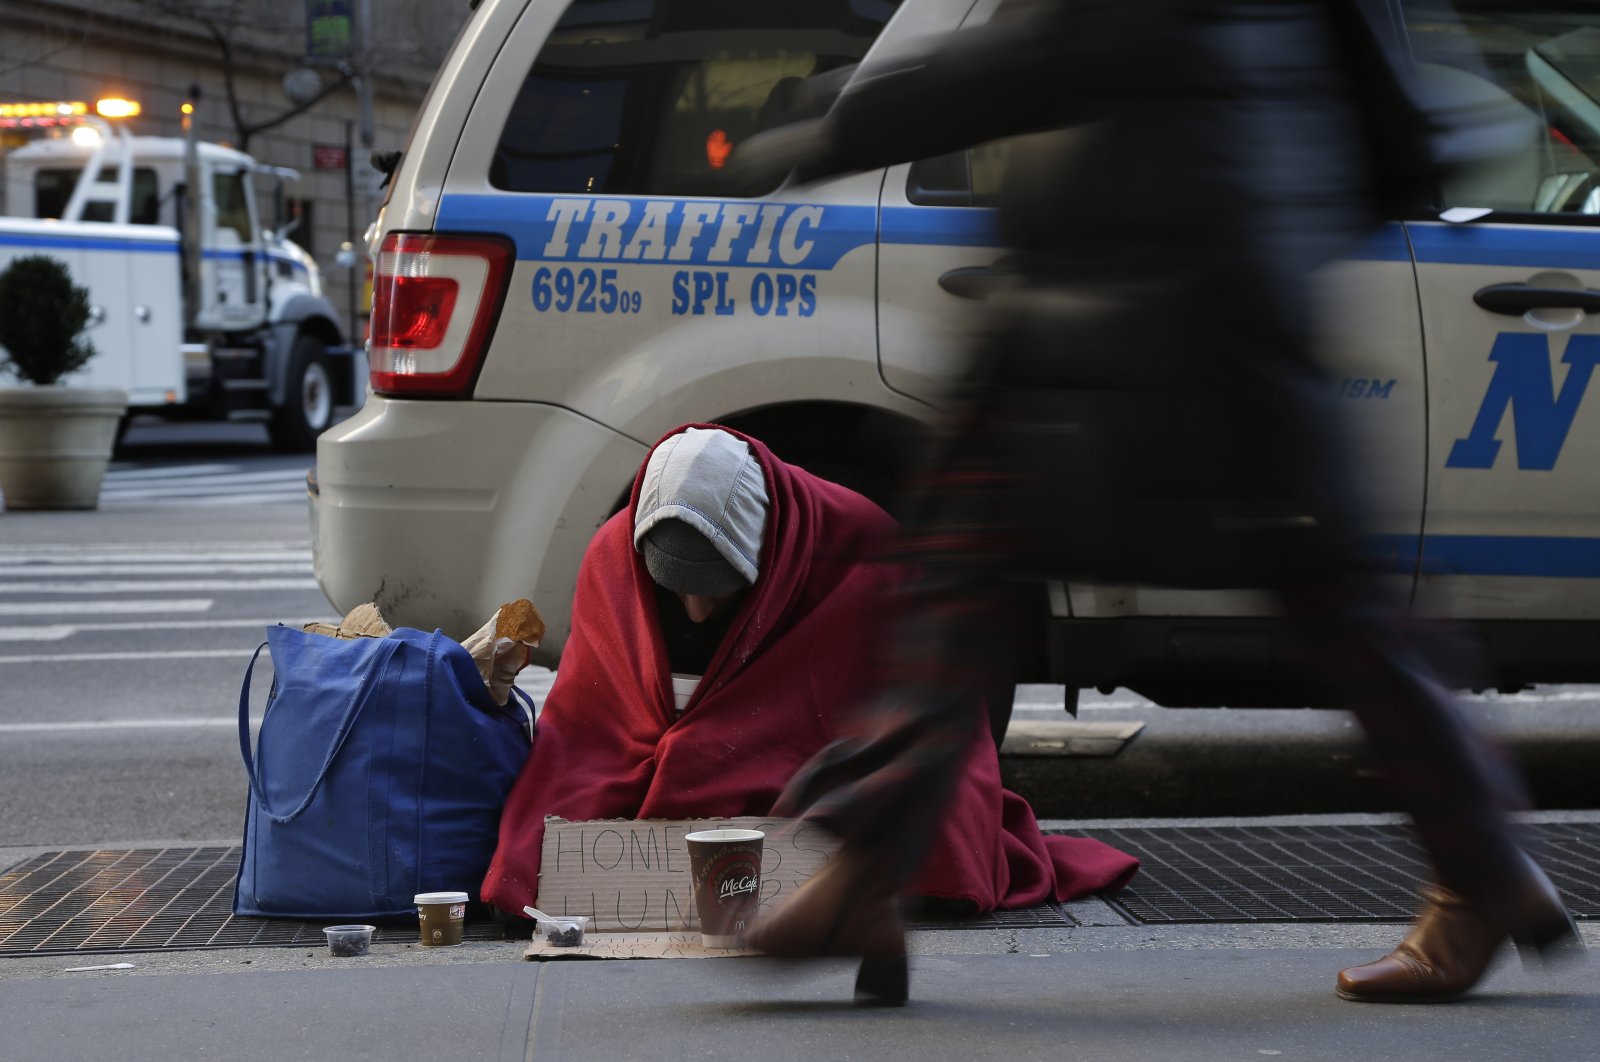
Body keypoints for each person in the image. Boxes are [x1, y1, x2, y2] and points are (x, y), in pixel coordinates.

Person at [732, 0, 1583, 1005]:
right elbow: (1382, 112)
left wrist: (838, 122)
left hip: (1132, 305)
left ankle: (864, 865)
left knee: (953, 577)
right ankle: (1484, 867)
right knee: (1335, 601)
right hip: (1230, 294)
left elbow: (1044, 53)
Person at [478, 425, 1139, 973]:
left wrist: (702, 755)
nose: (697, 612)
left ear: (768, 550)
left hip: (821, 758)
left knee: (926, 820)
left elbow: (902, 717)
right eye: (676, 589)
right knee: (533, 853)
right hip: (711, 765)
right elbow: (591, 724)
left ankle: (853, 880)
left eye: (720, 586)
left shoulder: (860, 550)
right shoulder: (611, 558)